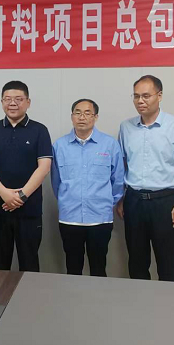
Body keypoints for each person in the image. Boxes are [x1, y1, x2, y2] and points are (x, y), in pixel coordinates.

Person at [117, 75, 174, 282]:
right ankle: (139, 301)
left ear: (159, 96)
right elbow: (123, 165)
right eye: (136, 96)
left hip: (165, 202)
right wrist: (122, 198)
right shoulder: (126, 127)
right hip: (134, 201)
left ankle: (167, 303)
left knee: (167, 263)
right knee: (136, 262)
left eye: (146, 96)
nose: (140, 101)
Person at [0, 81, 52, 272]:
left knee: (29, 262)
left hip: (29, 209)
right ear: (2, 102)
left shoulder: (40, 130)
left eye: (18, 99)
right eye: (8, 99)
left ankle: (30, 294)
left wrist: (21, 196)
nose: (13, 103)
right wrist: (5, 194)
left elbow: (44, 167)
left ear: (28, 102)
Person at [51, 99, 124, 276]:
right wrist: (67, 200)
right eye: (77, 113)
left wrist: (107, 203)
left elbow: (118, 180)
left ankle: (98, 296)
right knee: (73, 268)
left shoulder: (110, 145)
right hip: (70, 218)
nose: (82, 117)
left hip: (100, 218)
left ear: (95, 117)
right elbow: (55, 181)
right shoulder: (59, 146)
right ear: (72, 116)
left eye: (87, 113)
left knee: (98, 268)